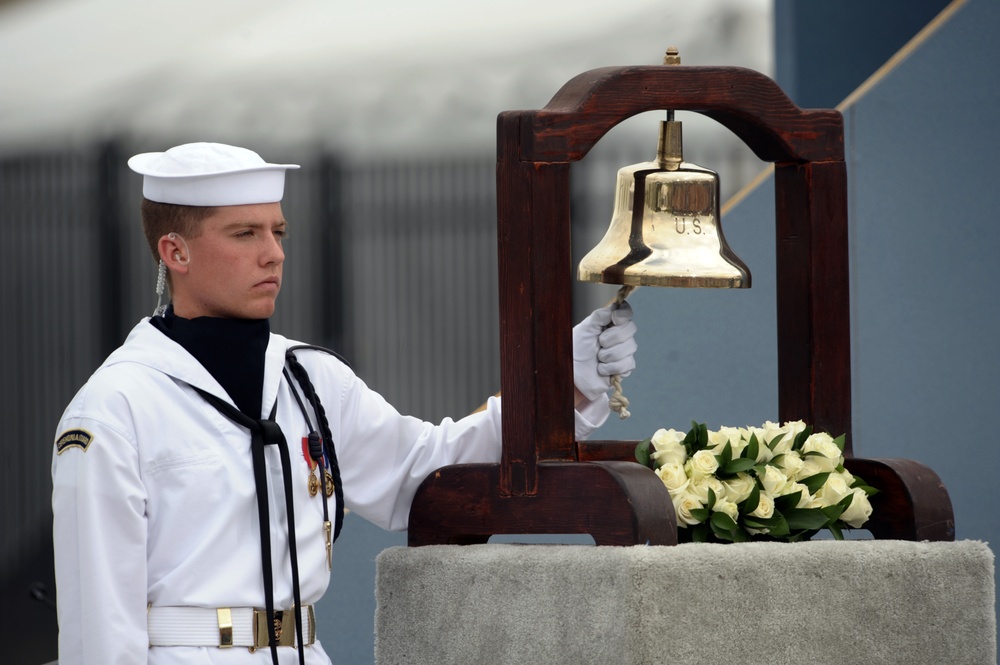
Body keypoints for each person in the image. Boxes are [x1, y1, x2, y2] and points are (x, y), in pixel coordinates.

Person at [51, 142, 638, 665]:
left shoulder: (311, 379)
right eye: (244, 233)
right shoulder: (114, 407)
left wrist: (562, 382)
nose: (274, 253)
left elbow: (427, 476)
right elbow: (99, 622)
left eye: (278, 232)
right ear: (175, 252)